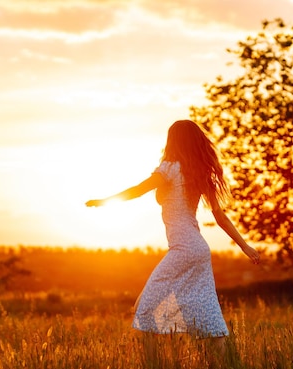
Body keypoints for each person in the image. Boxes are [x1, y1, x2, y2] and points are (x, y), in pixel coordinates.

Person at [86, 120, 259, 345]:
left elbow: (138, 190)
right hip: (199, 250)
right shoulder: (198, 172)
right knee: (206, 317)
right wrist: (245, 246)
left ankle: (153, 368)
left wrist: (104, 201)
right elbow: (220, 217)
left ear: (173, 141)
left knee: (144, 308)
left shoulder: (168, 169)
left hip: (183, 248)